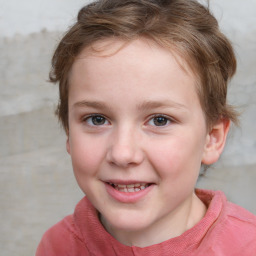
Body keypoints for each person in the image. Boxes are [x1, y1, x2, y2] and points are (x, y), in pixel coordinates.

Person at [36, 0, 256, 255]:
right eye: (97, 119)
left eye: (159, 120)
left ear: (212, 138)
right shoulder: (57, 246)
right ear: (68, 133)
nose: (122, 153)